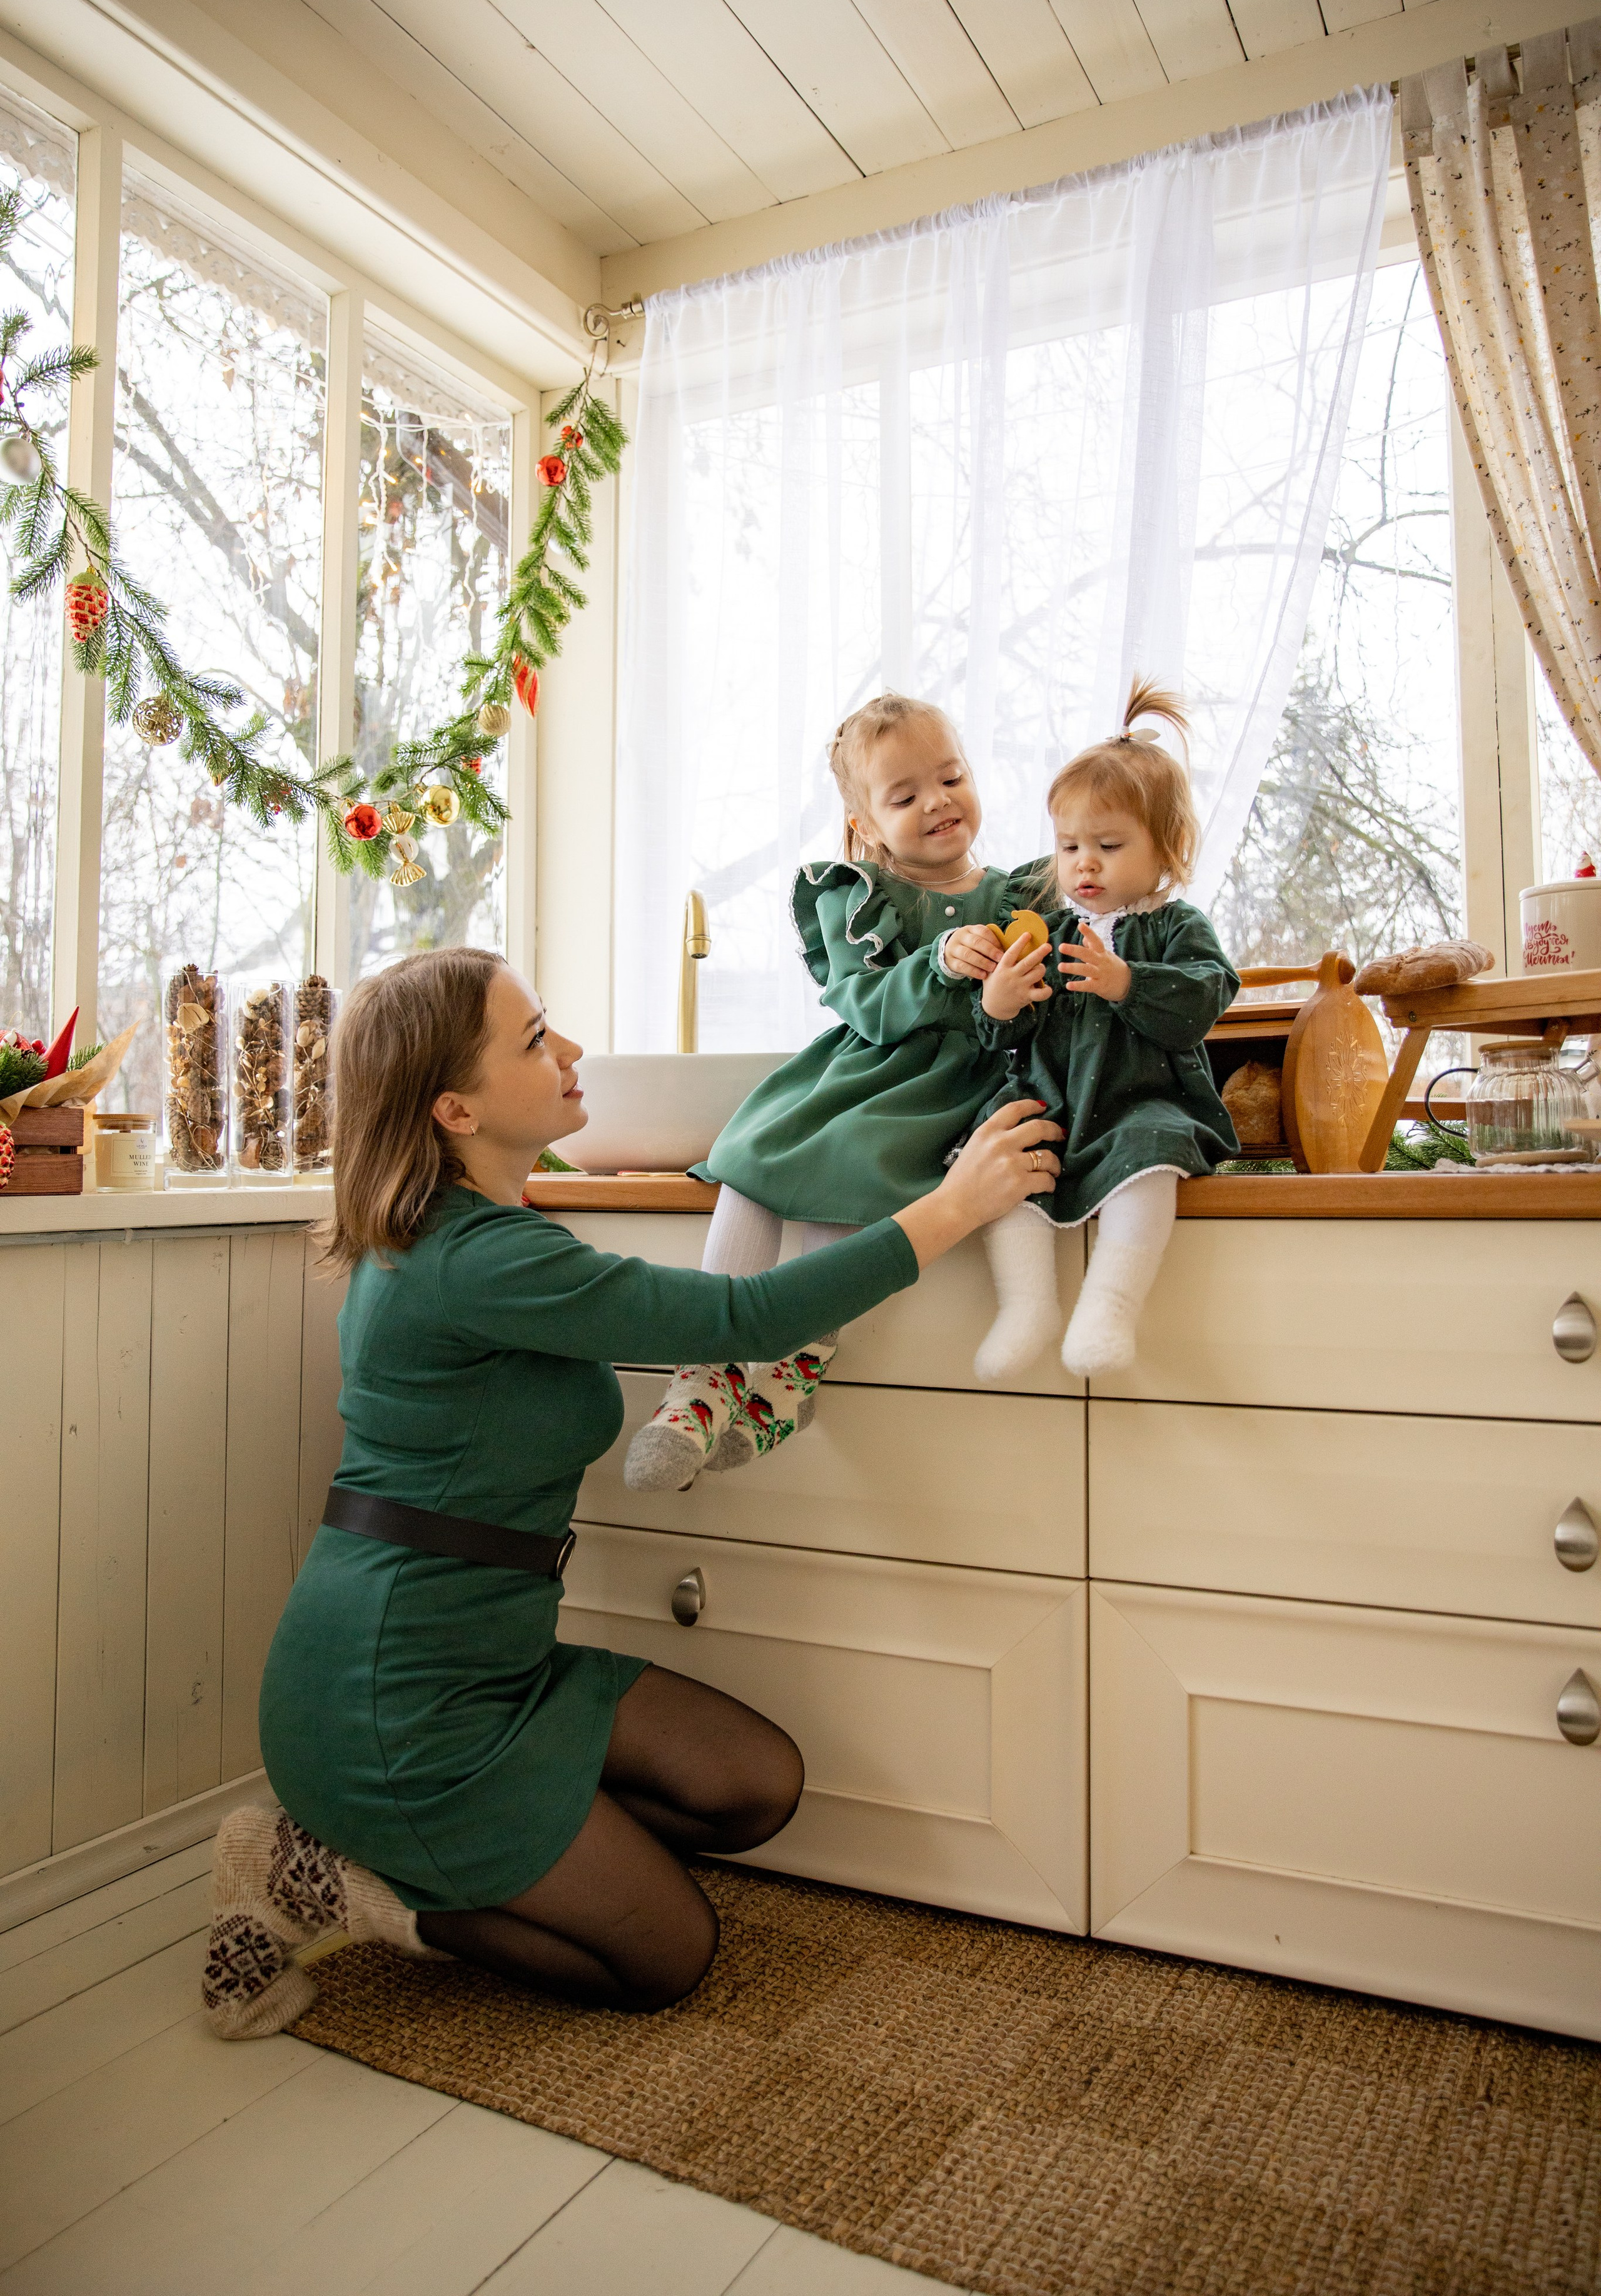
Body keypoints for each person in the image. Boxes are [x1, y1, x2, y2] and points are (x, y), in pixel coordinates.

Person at [203, 948, 1060, 2038]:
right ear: (454, 1106)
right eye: (534, 1040)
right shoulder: (478, 1262)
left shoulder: (477, 1234)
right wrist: (951, 1207)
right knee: (666, 1954)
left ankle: (516, 1841)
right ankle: (315, 1876)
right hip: (391, 1707)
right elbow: (743, 1318)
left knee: (756, 1785)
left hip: (491, 1665)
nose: (568, 1051)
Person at [625, 692, 1048, 1494]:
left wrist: (1005, 992)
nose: (937, 801)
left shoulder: (1023, 894)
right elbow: (866, 1003)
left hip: (955, 1087)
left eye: (951, 776)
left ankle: (792, 1368)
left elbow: (1043, 1011)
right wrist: (933, 962)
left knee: (850, 1154)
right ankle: (704, 1374)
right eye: (904, 795)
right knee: (755, 1150)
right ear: (864, 826)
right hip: (868, 1065)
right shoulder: (858, 897)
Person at [962, 680, 1240, 1382]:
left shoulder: (1174, 925)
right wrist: (998, 1003)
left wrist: (1128, 983)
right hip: (1052, 1101)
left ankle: (1110, 1304)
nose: (1084, 863)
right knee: (998, 1148)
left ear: (1168, 848)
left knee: (1154, 1150)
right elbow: (1003, 1038)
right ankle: (1026, 1305)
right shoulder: (1047, 933)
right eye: (1069, 846)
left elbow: (1209, 995)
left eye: (1108, 844)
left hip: (1137, 1101)